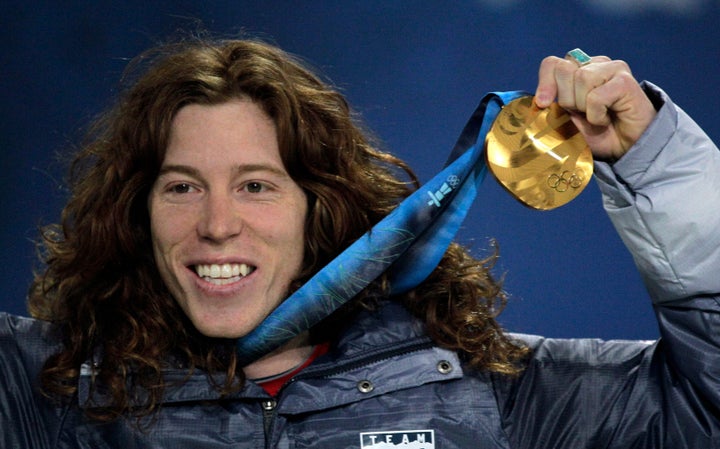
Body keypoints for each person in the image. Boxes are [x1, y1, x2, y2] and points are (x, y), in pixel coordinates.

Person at [1, 36, 718, 449]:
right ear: (138, 212)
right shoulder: (54, 391)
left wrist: (657, 159)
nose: (216, 223)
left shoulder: (486, 393)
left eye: (256, 185)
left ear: (321, 208)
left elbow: (704, 410)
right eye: (182, 186)